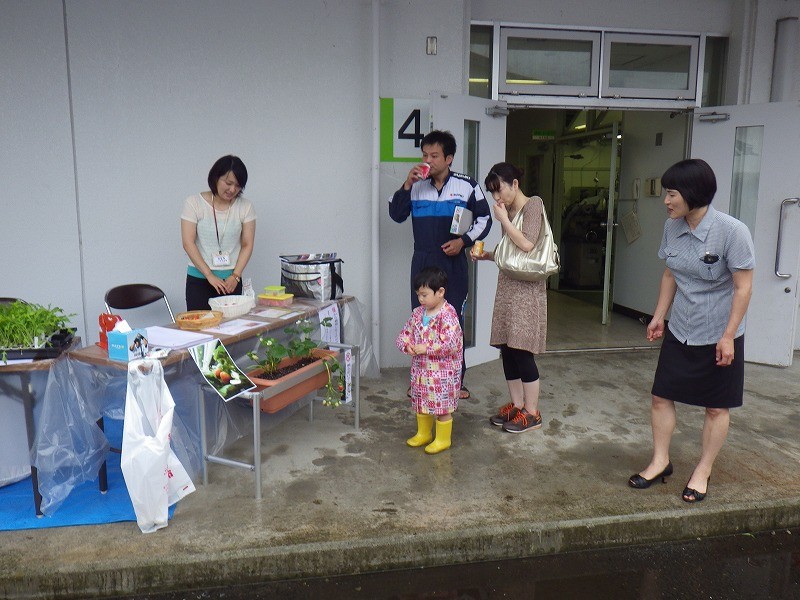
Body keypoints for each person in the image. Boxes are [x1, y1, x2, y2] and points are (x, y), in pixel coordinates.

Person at [628, 158, 754, 503]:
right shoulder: (673, 227)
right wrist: (659, 316)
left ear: (693, 194)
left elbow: (743, 288)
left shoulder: (732, 231)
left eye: (672, 194)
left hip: (719, 332)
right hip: (681, 327)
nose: (666, 201)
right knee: (660, 395)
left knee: (716, 406)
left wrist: (728, 335)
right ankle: (660, 461)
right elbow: (671, 273)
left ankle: (703, 469)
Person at [389, 130, 492, 400]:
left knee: (452, 323)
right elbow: (396, 215)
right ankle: (420, 382)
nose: (428, 160)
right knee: (422, 323)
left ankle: (456, 382)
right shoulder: (416, 186)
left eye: (434, 155)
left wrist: (464, 241)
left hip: (452, 263)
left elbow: (485, 218)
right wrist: (406, 185)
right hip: (423, 261)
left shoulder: (466, 185)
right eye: (424, 155)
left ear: (449, 158)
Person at [472, 162, 548, 433]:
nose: (496, 198)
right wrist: (488, 255)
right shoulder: (511, 209)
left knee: (522, 349)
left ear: (514, 184)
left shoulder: (533, 206)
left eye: (499, 190)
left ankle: (532, 412)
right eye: (492, 192)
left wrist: (503, 220)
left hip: (526, 291)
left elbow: (527, 244)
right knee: (507, 349)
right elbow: (511, 253)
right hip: (508, 288)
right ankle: (517, 406)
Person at [395, 266, 463, 455]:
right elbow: (404, 334)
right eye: (419, 295)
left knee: (442, 407)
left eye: (425, 295)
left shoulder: (448, 314)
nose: (421, 299)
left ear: (440, 292)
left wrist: (427, 347)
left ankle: (443, 439)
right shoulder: (418, 313)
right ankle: (423, 433)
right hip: (421, 370)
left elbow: (452, 342)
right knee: (422, 402)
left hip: (443, 373)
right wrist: (406, 345)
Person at [181, 155, 256, 311]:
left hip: (231, 281)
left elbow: (247, 244)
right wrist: (209, 275)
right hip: (199, 279)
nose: (232, 190)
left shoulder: (245, 207)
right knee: (201, 330)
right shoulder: (194, 203)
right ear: (215, 177)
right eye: (228, 183)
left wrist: (236, 276)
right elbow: (188, 243)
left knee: (232, 330)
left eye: (238, 185)